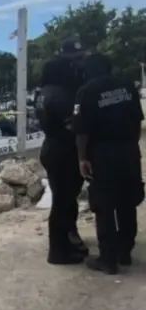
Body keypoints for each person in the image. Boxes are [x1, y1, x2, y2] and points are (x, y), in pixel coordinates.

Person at [73, 53, 144, 274]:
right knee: (126, 203)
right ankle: (125, 252)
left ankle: (108, 259)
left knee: (104, 206)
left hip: (102, 155)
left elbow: (82, 130)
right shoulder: (127, 86)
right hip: (129, 151)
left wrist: (82, 157)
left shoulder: (86, 91)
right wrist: (130, 147)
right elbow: (138, 120)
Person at [36, 35, 90, 264]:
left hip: (54, 149)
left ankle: (66, 242)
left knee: (66, 200)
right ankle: (58, 252)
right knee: (62, 203)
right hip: (63, 152)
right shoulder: (59, 96)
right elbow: (75, 127)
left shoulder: (46, 92)